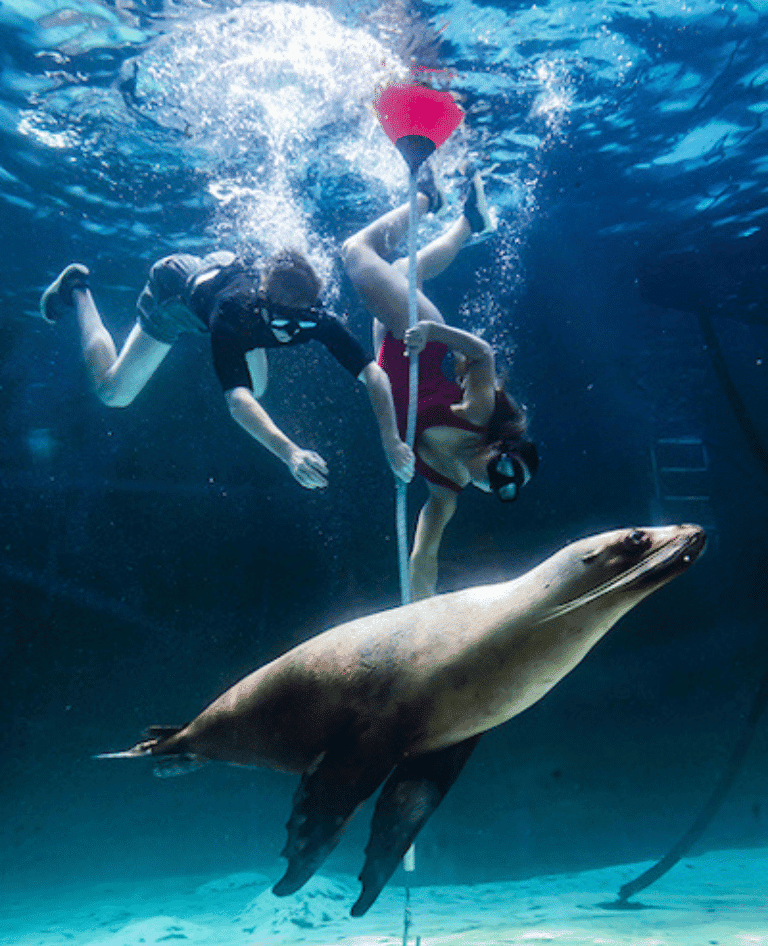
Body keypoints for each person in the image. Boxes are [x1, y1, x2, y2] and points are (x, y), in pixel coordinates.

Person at [39, 249, 415, 489]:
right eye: (282, 322)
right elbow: (236, 401)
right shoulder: (234, 314)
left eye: (300, 320)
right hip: (176, 293)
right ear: (264, 303)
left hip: (221, 270)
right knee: (113, 393)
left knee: (260, 391)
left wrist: (391, 439)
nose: (291, 331)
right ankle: (77, 288)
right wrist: (291, 453)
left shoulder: (318, 318)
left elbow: (374, 374)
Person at [342, 169, 538, 600]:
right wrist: (433, 332)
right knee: (357, 253)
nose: (498, 482)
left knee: (400, 271)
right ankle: (429, 197)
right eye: (506, 470)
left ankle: (469, 222)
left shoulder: (445, 490)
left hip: (387, 352)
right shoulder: (479, 416)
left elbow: (422, 557)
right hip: (419, 343)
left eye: (507, 489)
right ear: (497, 449)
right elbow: (483, 354)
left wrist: (421, 616)